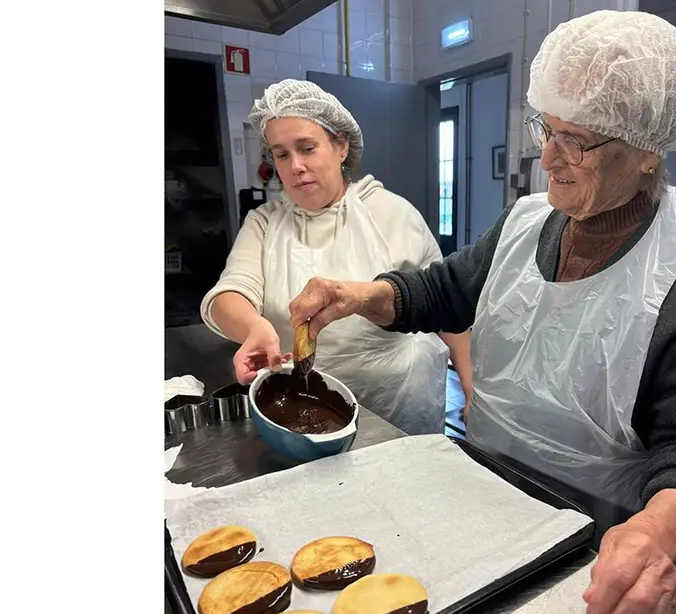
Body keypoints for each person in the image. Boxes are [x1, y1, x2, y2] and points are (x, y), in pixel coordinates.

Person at [287, 11, 676, 614]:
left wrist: (656, 533)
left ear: (647, 150)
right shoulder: (526, 222)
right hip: (481, 496)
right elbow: (442, 292)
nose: (547, 154)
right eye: (546, 128)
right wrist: (358, 295)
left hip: (597, 540)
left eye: (576, 140)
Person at [200, 79, 473, 436]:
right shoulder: (265, 223)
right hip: (298, 409)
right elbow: (228, 295)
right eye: (281, 154)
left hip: (398, 405)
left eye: (307, 148)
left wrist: (471, 390)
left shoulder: (393, 214)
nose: (295, 165)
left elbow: (444, 308)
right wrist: (255, 327)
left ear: (341, 146)